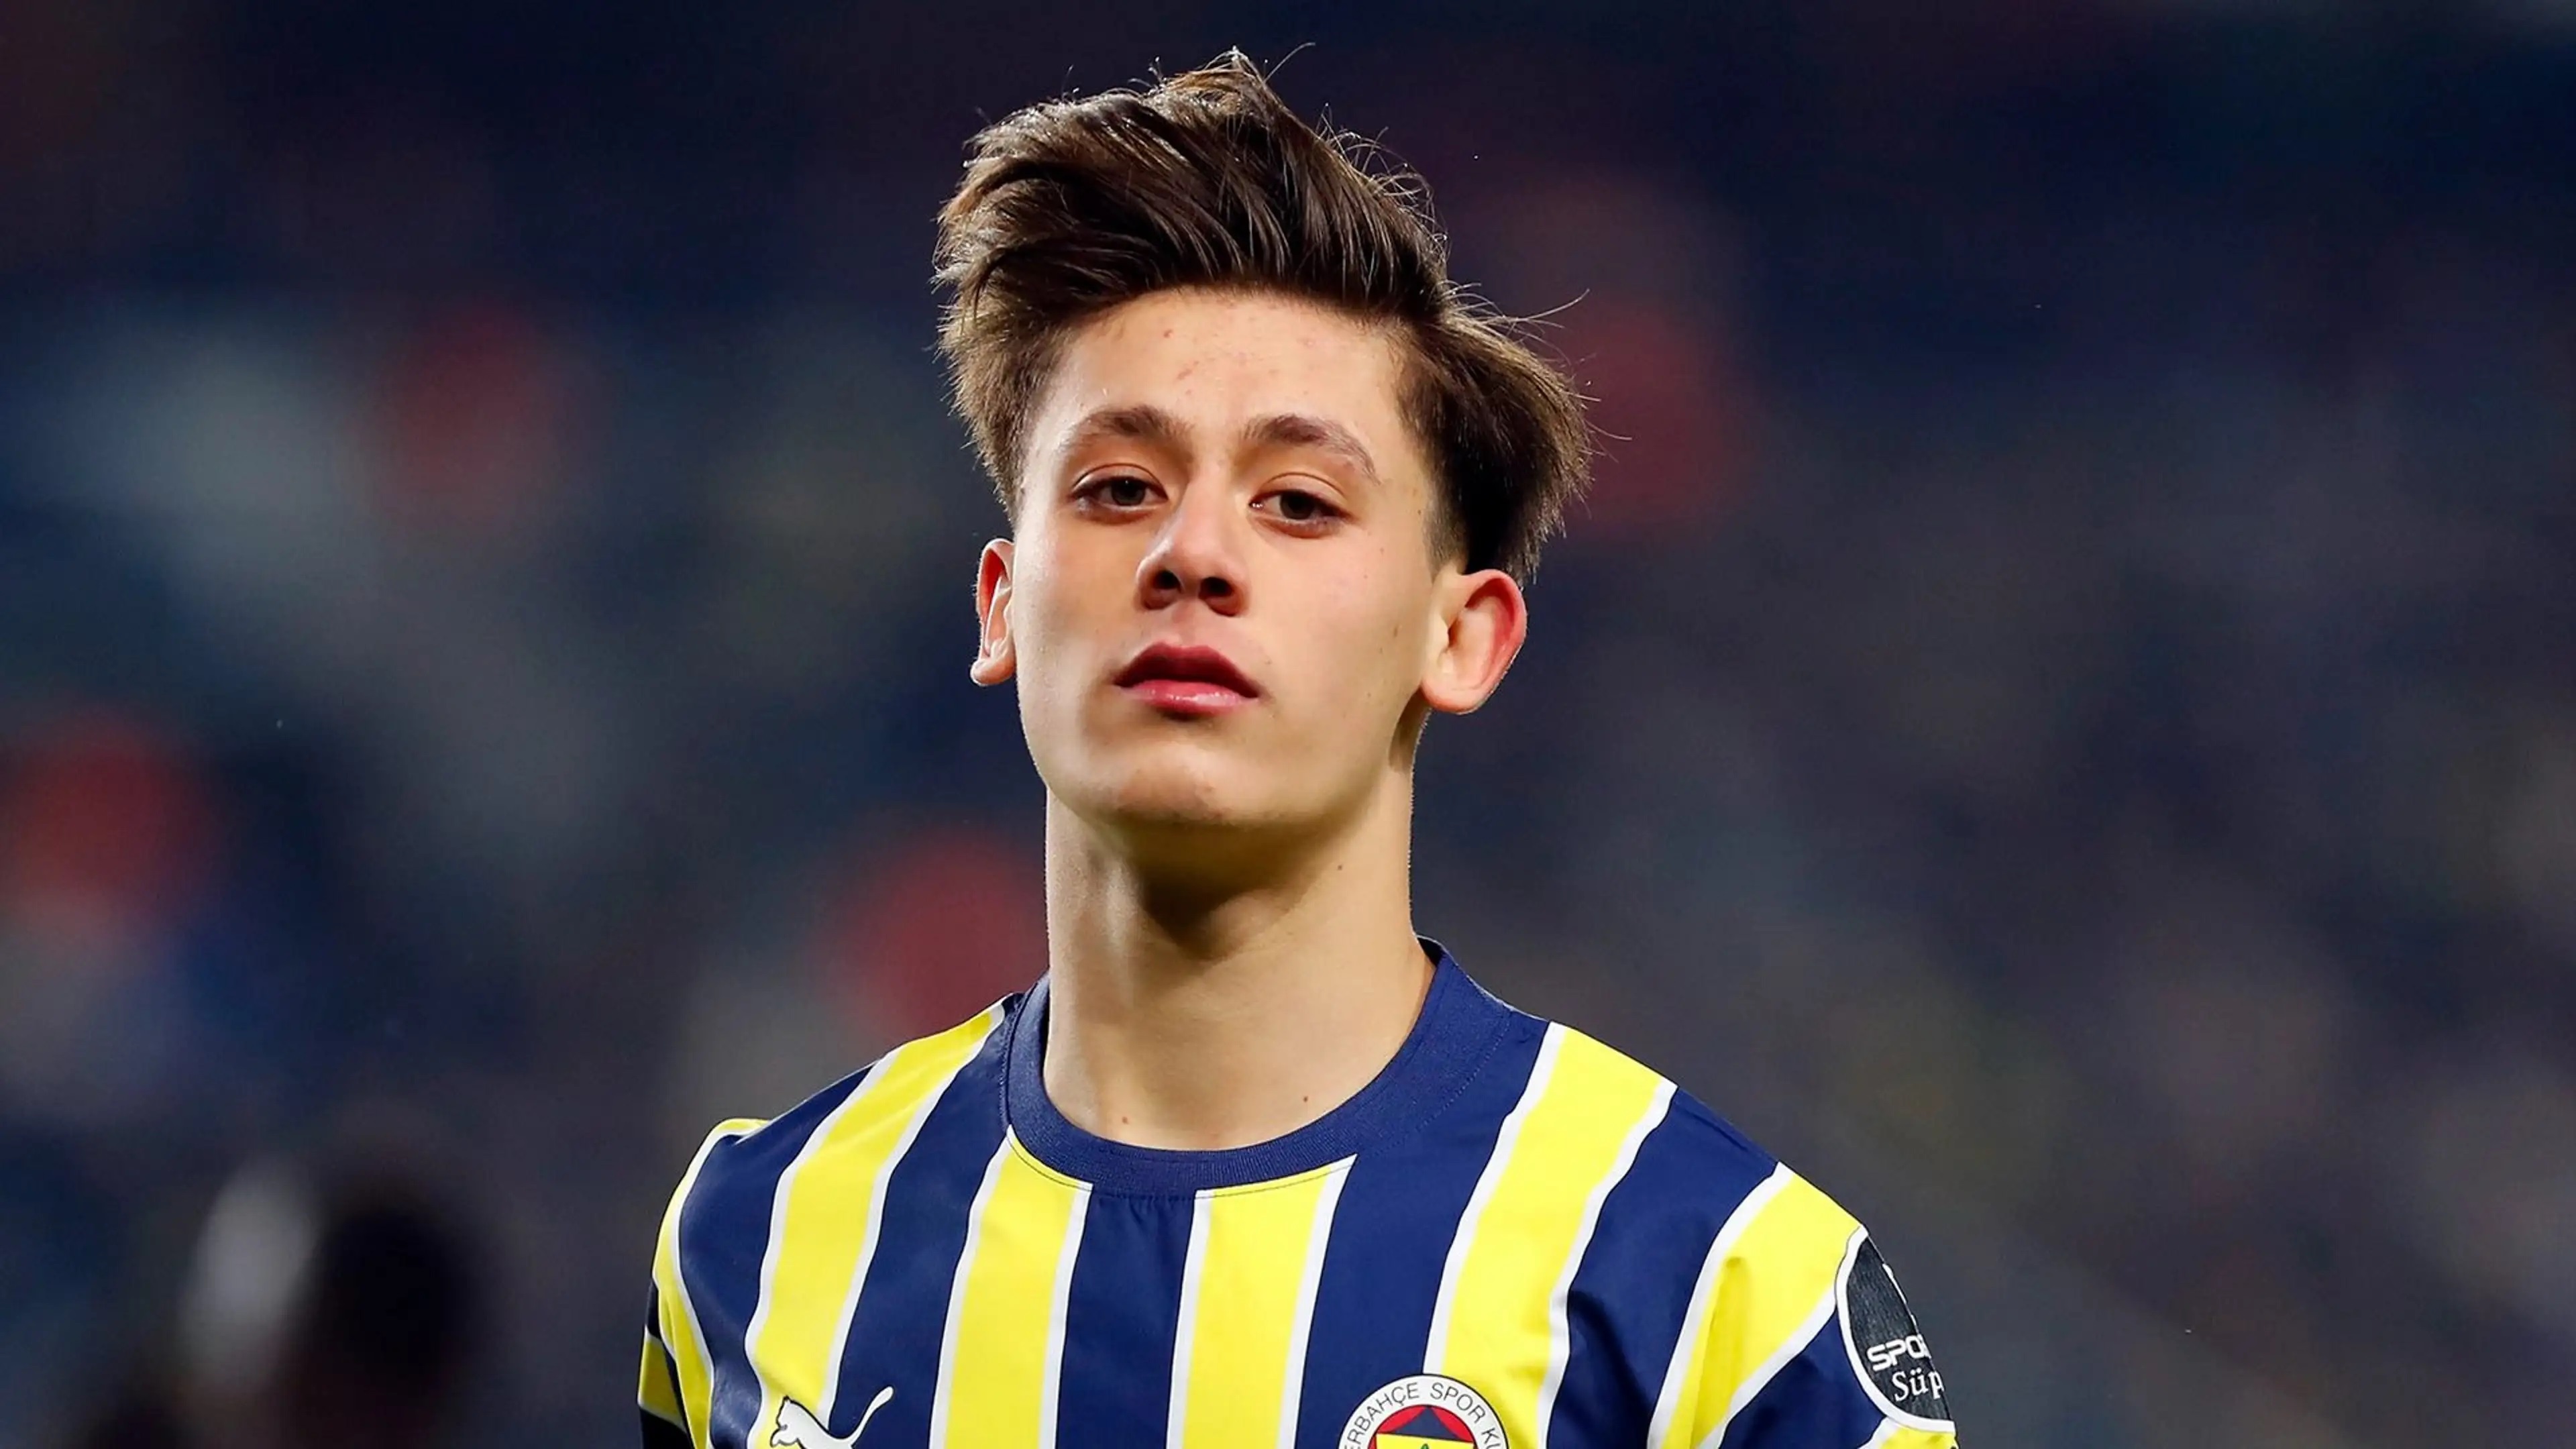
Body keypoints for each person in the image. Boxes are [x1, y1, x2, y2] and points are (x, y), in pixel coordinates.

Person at [640, 50, 1957, 1449]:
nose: (1192, 552)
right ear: (1002, 603)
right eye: (1119, 488)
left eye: (1300, 503)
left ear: (1463, 636)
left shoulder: (1721, 1299)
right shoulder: (759, 1242)